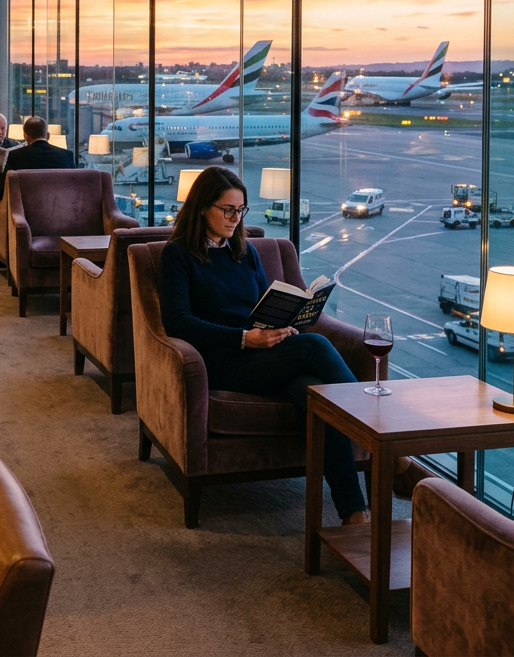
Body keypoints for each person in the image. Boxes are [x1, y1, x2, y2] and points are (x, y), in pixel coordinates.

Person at [157, 167, 370, 525]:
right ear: (201, 208)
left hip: (262, 353)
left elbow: (260, 304)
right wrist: (243, 338)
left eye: (241, 210)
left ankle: (353, 512)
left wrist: (286, 323)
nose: (235, 218)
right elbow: (178, 323)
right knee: (316, 347)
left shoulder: (244, 250)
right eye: (227, 210)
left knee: (313, 392)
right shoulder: (177, 255)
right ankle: (380, 433)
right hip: (220, 360)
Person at [0, 115, 74, 201]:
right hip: (62, 209)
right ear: (47, 136)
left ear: (25, 136)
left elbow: (0, 191)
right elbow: (75, 188)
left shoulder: (16, 156)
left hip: (26, 212)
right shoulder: (67, 155)